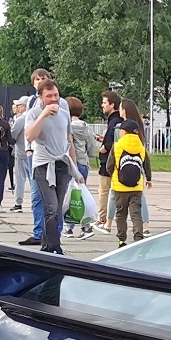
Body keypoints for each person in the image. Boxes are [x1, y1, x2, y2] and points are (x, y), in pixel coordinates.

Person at [24, 78, 85, 255]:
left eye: (56, 95)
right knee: (50, 206)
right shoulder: (34, 113)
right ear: (41, 97)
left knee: (57, 209)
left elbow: (69, 141)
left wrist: (75, 168)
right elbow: (30, 137)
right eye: (49, 96)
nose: (53, 99)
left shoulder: (65, 114)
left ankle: (47, 244)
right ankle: (54, 247)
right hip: (44, 165)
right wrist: (43, 115)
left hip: (62, 164)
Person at [105, 119, 151, 247]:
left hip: (120, 187)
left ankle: (122, 240)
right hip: (136, 186)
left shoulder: (117, 145)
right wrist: (149, 179)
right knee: (136, 213)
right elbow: (146, 165)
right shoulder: (141, 147)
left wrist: (113, 175)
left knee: (121, 214)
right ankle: (138, 237)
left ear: (124, 132)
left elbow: (109, 166)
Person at [21, 68, 53, 246]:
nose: (40, 80)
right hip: (34, 151)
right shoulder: (32, 102)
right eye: (37, 79)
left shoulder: (57, 102)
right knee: (36, 195)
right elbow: (28, 126)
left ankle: (52, 233)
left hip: (51, 152)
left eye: (43, 78)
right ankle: (38, 232)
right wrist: (28, 149)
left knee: (52, 197)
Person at [65, 96, 98, 238]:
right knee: (81, 194)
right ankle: (86, 226)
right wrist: (88, 156)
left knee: (69, 195)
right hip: (83, 163)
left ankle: (69, 227)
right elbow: (92, 147)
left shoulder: (66, 126)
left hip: (69, 163)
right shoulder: (86, 127)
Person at [92, 90, 123, 231]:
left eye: (104, 102)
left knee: (104, 191)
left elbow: (110, 142)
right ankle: (109, 218)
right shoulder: (116, 120)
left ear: (112, 104)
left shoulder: (114, 121)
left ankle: (102, 218)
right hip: (116, 161)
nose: (102, 105)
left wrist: (102, 148)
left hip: (108, 162)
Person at [9, 97, 30, 212]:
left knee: (20, 178)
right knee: (34, 180)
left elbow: (13, 135)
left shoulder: (21, 119)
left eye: (19, 105)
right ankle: (36, 203)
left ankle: (18, 203)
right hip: (33, 152)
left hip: (21, 151)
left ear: (24, 106)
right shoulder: (34, 117)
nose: (17, 108)